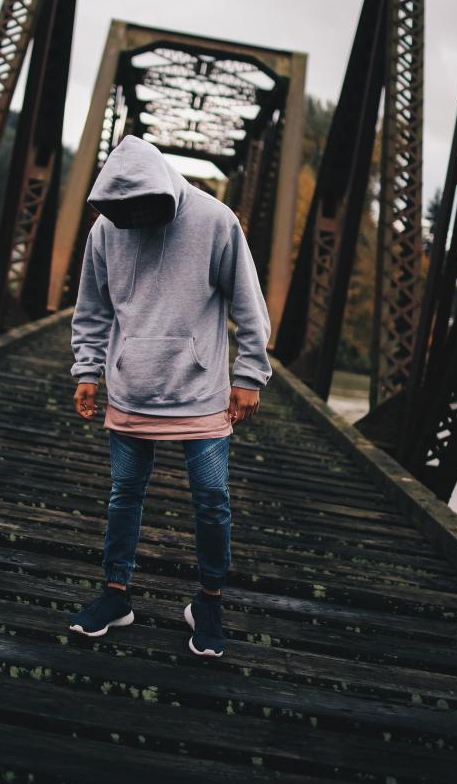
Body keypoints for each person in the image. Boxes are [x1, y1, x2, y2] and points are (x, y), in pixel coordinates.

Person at [68, 134, 272, 658]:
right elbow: (92, 305)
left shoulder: (214, 220)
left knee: (212, 501)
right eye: (120, 210)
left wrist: (249, 374)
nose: (132, 217)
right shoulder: (105, 228)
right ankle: (115, 594)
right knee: (123, 497)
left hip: (201, 394)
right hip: (131, 391)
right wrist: (87, 369)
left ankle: (207, 600)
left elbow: (248, 302)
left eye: (140, 207)